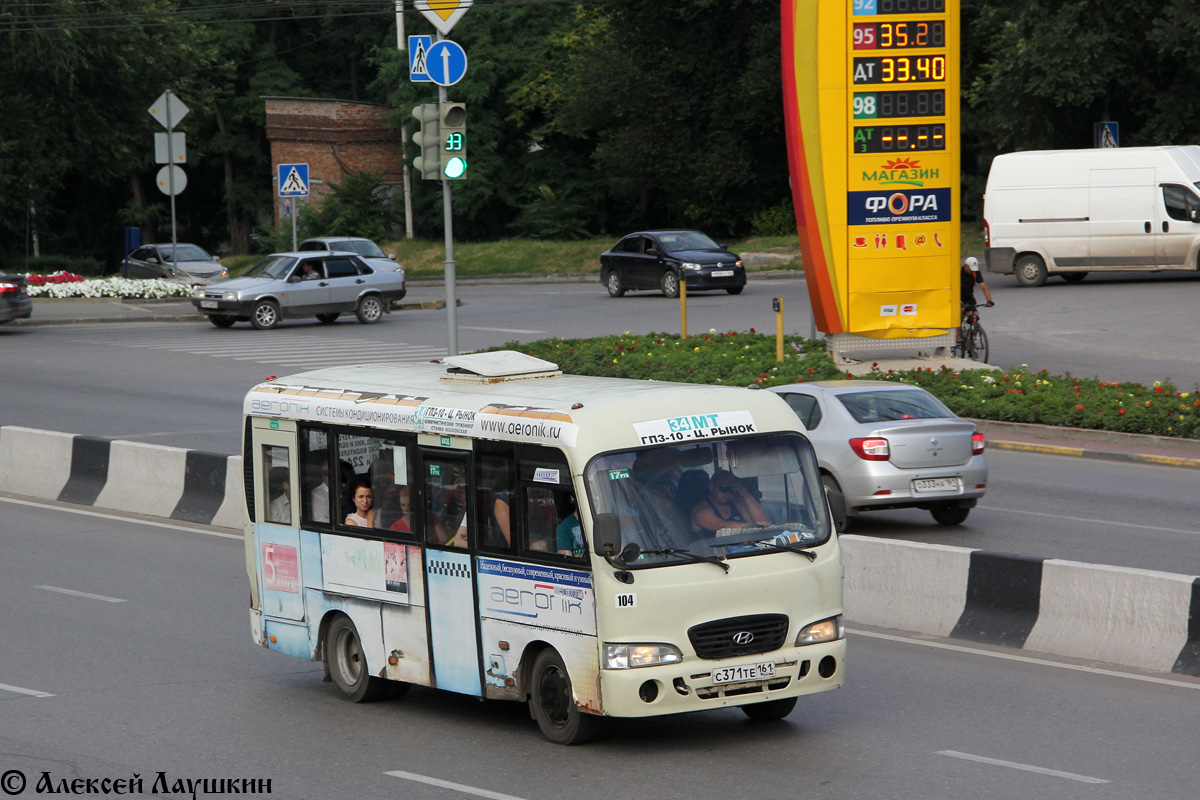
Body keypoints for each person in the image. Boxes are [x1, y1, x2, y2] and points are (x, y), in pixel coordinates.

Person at [691, 469, 771, 537]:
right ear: (712, 487)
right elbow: (721, 526)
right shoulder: (701, 510)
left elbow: (763, 521)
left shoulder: (738, 503)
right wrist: (753, 526)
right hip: (711, 554)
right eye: (724, 488)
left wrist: (744, 492)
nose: (728, 493)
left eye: (732, 489)